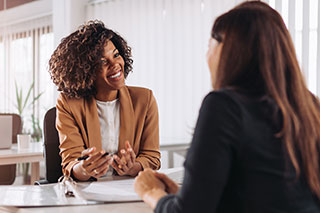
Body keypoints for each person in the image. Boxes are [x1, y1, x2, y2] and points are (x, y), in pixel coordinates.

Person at [134, 1, 320, 212]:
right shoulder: (309, 106)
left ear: (226, 49)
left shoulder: (224, 106)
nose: (207, 55)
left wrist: (151, 192)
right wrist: (185, 194)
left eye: (208, 45)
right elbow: (270, 196)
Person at [49, 20, 160, 181]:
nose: (115, 65)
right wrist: (85, 169)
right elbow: (70, 164)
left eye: (116, 55)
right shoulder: (68, 103)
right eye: (103, 61)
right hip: (88, 192)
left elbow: (152, 157)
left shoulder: (144, 99)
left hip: (129, 191)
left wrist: (132, 167)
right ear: (85, 70)